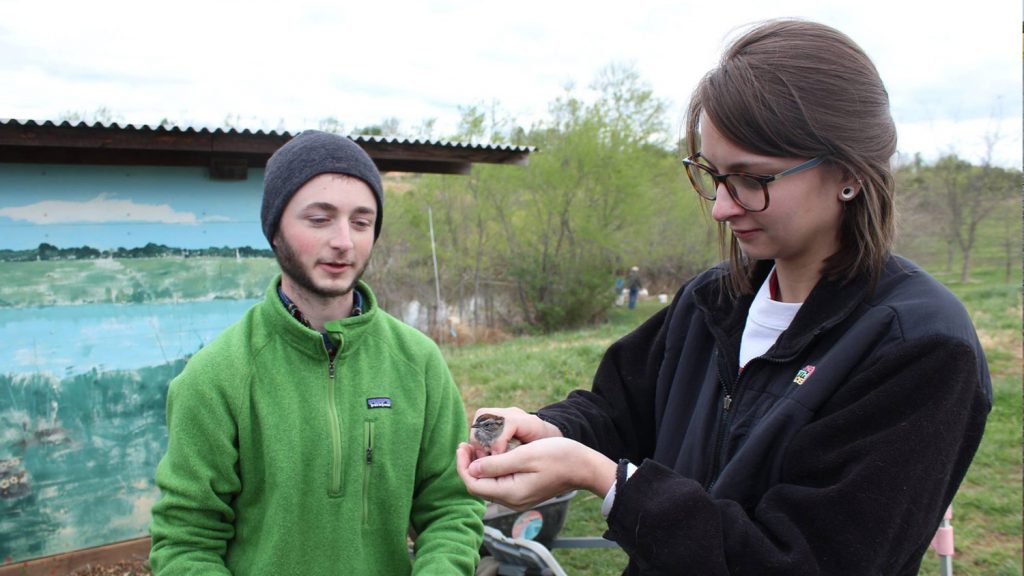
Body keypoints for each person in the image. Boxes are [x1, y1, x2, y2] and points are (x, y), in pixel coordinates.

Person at [456, 19, 991, 575]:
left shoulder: (920, 348)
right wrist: (552, 430)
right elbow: (620, 410)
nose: (721, 206)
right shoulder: (714, 301)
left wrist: (602, 479)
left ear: (849, 175)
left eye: (751, 179)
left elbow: (801, 559)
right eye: (712, 174)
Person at [149, 130, 485, 575]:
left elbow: (451, 510)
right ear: (275, 230)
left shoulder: (418, 363)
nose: (344, 241)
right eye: (319, 219)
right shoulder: (215, 377)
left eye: (361, 221)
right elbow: (185, 544)